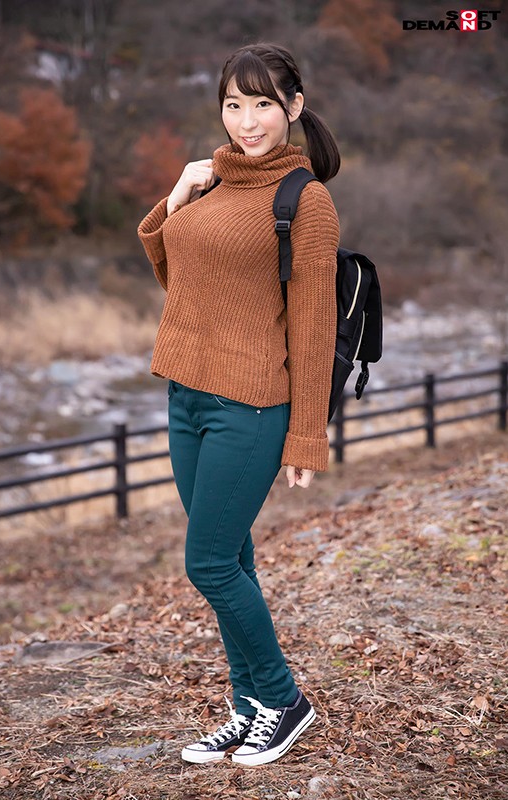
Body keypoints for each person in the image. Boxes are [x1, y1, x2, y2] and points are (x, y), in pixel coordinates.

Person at [137, 41, 341, 767]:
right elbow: (179, 278)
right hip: (185, 395)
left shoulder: (305, 201)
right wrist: (177, 196)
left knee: (210, 562)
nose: (247, 121)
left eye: (263, 105)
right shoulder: (213, 181)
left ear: (294, 107)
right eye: (233, 104)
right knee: (233, 557)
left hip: (249, 407)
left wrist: (306, 436)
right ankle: (249, 706)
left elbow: (313, 329)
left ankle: (284, 701)